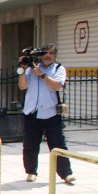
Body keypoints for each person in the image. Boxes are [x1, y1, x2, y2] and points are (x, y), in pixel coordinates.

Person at [18, 45, 74, 184]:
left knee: (58, 144)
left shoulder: (58, 69)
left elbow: (57, 86)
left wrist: (42, 74)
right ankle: (31, 172)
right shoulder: (31, 69)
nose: (47, 56)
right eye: (45, 53)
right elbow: (23, 86)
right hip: (32, 111)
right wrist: (22, 70)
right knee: (30, 144)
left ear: (55, 56)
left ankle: (65, 173)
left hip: (51, 112)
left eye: (51, 53)